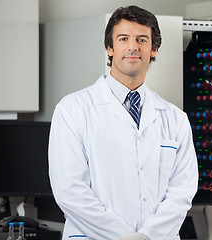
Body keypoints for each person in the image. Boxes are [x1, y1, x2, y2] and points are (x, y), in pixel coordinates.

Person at [48, 5, 198, 240]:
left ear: (154, 49)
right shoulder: (73, 110)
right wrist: (126, 237)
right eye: (123, 39)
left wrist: (146, 236)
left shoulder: (175, 118)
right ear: (110, 48)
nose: (132, 47)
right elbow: (70, 192)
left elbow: (182, 192)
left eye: (141, 40)